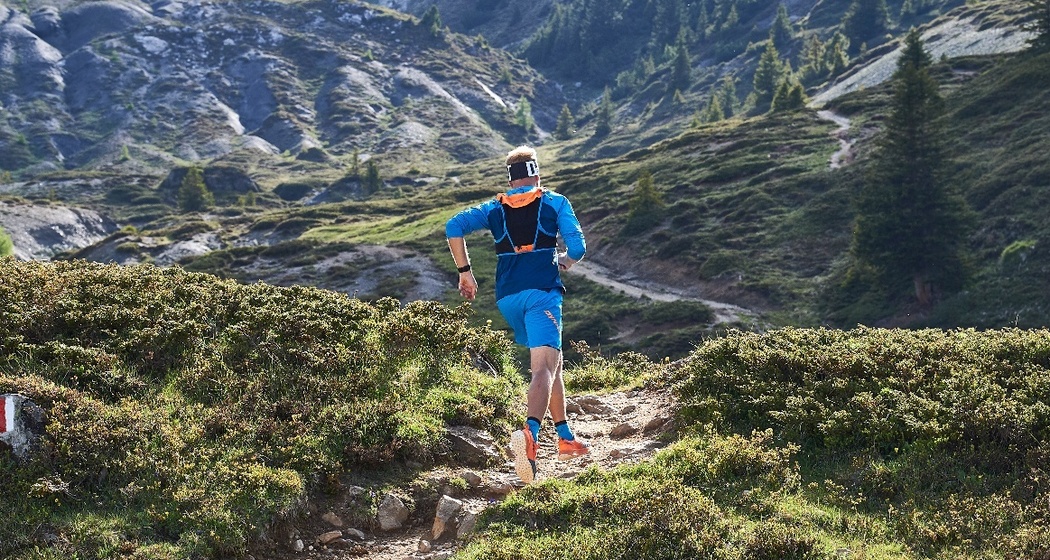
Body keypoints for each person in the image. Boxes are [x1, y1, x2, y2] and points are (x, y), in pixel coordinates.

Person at [445, 145, 590, 483]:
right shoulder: (555, 202)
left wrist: (465, 272)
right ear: (537, 172)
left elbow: (453, 226)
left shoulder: (495, 207)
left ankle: (565, 436)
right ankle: (530, 435)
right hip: (542, 294)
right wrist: (565, 260)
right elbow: (579, 247)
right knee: (542, 368)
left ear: (511, 179)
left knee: (552, 363)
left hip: (508, 298)